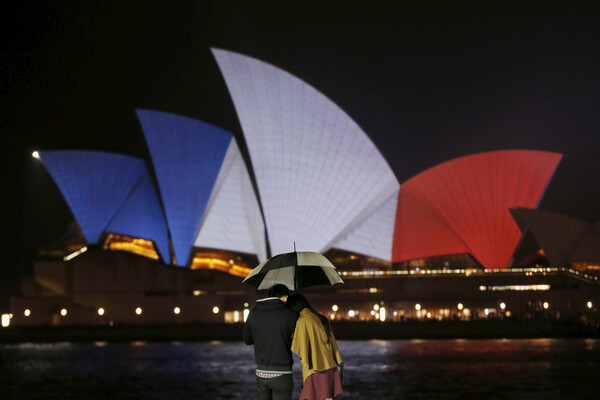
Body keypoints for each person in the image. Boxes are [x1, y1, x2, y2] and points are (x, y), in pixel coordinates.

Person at [244, 284, 299, 400]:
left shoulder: (253, 312)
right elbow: (297, 342)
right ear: (285, 297)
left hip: (261, 372)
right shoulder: (290, 315)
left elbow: (247, 340)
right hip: (282, 373)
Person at [287, 293, 343, 400]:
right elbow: (333, 347)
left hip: (315, 371)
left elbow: (302, 351)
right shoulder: (321, 318)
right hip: (330, 369)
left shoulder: (302, 321)